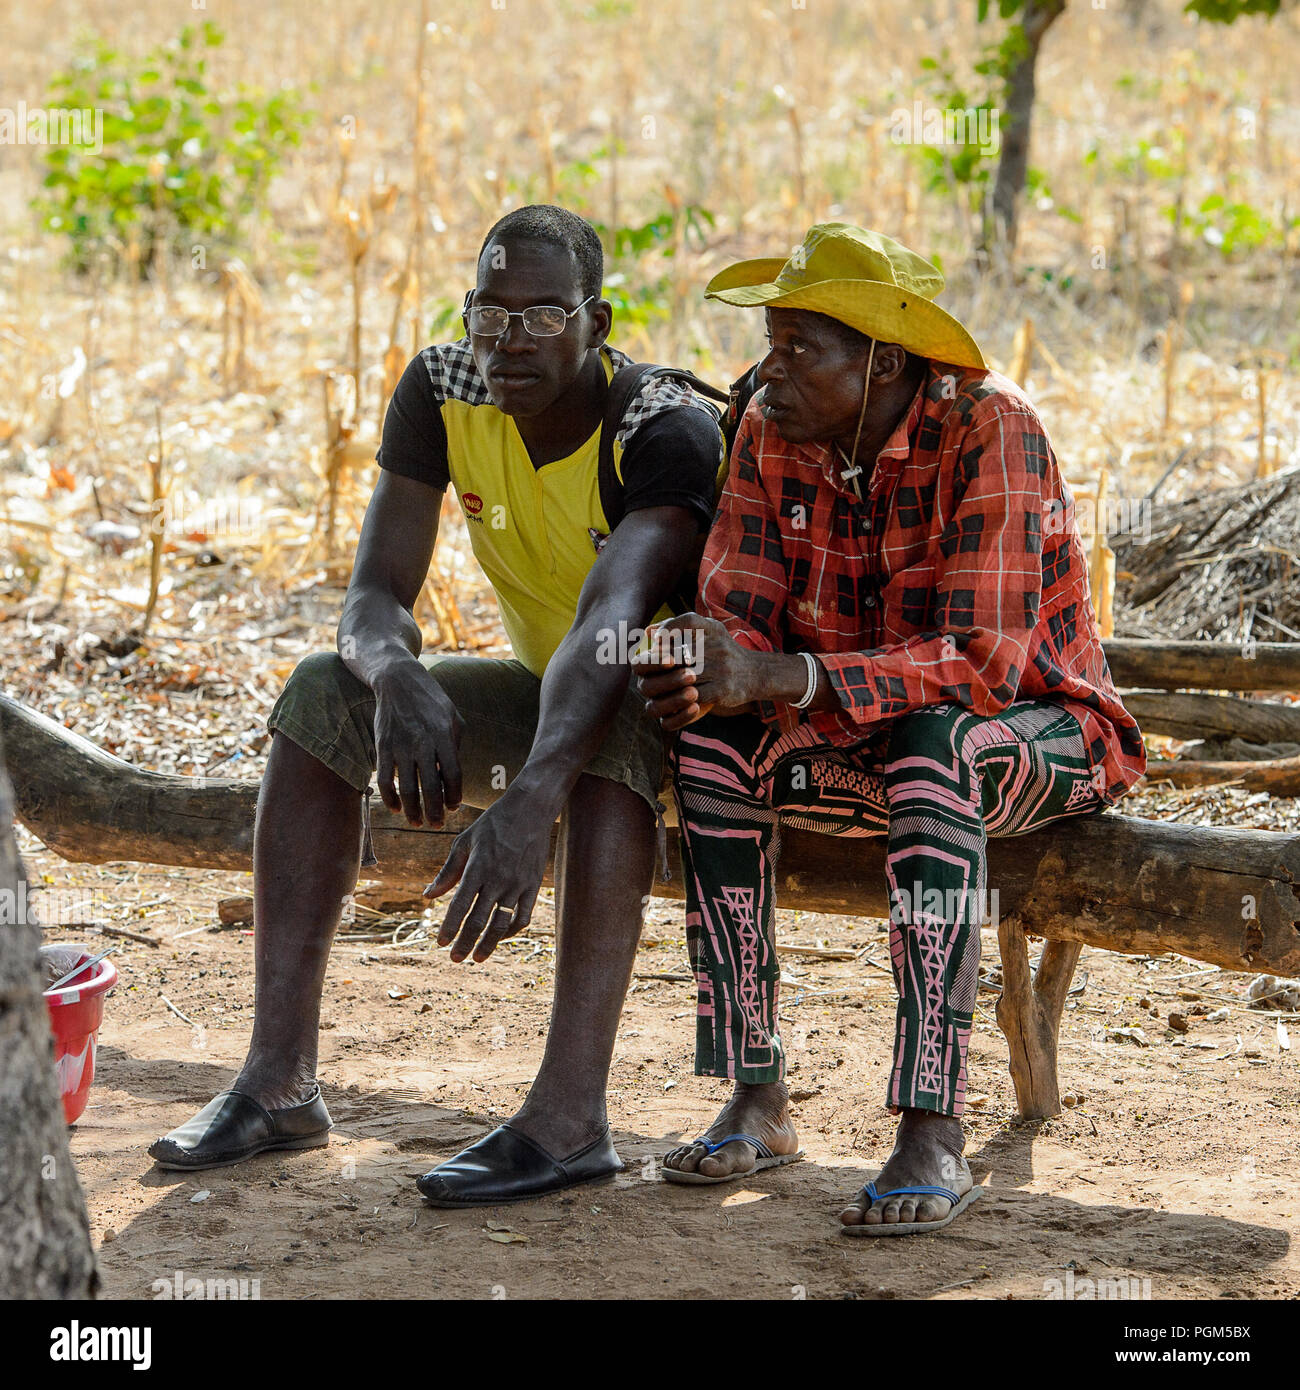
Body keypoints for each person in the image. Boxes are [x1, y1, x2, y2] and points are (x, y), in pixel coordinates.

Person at [149, 204, 723, 1205]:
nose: (507, 342)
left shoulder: (660, 426)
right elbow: (371, 598)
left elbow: (613, 621)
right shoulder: (444, 384)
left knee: (615, 714)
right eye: (488, 314)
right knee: (320, 696)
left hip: (689, 718)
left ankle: (568, 1119)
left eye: (542, 315)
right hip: (554, 696)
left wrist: (529, 796)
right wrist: (395, 673)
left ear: (599, 319)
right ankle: (278, 1082)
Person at [634, 223, 1145, 1234]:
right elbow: (741, 599)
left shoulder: (994, 429)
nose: (766, 368)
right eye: (768, 339)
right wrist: (705, 654)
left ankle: (930, 1126)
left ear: (884, 361)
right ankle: (754, 1091)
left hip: (1041, 730)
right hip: (852, 733)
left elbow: (981, 663)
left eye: (796, 347)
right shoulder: (770, 425)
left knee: (934, 747)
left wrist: (782, 672)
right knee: (707, 746)